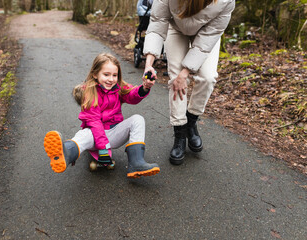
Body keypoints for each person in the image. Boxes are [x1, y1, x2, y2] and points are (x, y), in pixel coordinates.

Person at [143, 0, 235, 165]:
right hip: (176, 29)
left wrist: (185, 73)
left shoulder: (225, 1)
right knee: (175, 77)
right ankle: (180, 132)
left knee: (208, 77)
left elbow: (207, 39)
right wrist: (149, 63)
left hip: (207, 34)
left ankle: (191, 122)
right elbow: (158, 23)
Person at [43, 53, 160, 178]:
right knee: (83, 135)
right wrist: (103, 149)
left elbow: (132, 96)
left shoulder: (118, 87)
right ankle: (66, 153)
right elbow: (94, 122)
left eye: (114, 75)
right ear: (95, 74)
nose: (111, 79)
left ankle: (136, 162)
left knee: (138, 119)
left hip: (114, 133)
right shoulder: (89, 92)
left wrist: (145, 88)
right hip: (95, 136)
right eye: (106, 75)